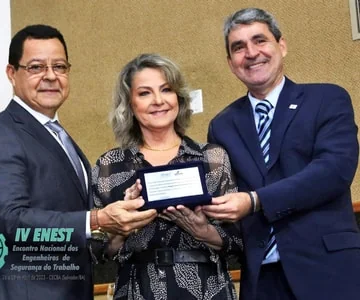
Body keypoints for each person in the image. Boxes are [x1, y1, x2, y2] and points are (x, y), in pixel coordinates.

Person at [0, 24, 156, 300]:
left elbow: (71, 223)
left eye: (60, 67)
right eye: (36, 67)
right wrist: (97, 218)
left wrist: (115, 228)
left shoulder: (60, 137)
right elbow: (8, 221)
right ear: (11, 73)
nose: (51, 76)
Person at [203, 7, 360, 300]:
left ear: (281, 45)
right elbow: (223, 192)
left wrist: (255, 201)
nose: (251, 53)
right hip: (261, 280)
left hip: (328, 271)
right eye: (239, 47)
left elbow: (333, 171)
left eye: (260, 40)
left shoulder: (327, 99)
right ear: (230, 62)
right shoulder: (222, 125)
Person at [91, 53, 242, 300]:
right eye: (145, 93)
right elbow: (96, 252)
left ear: (179, 98)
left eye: (166, 89)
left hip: (206, 287)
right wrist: (121, 228)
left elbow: (239, 239)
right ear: (129, 104)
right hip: (137, 289)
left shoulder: (212, 158)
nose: (158, 101)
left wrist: (204, 231)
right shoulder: (110, 166)